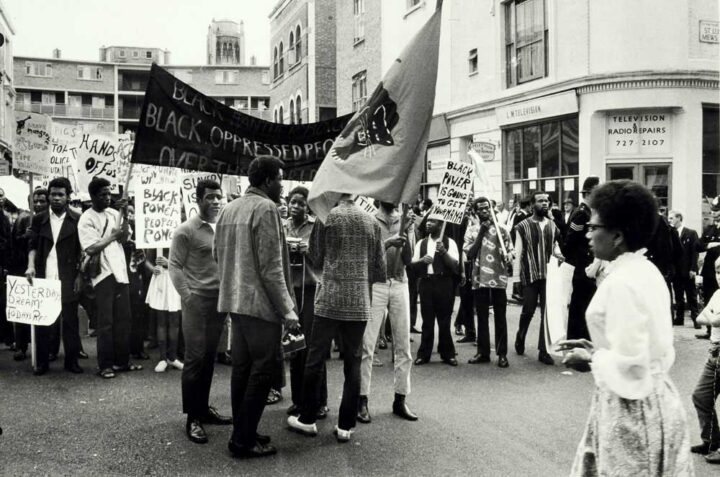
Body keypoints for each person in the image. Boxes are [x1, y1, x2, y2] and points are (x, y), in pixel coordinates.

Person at [557, 180, 693, 476]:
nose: (589, 235)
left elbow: (633, 365)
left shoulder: (621, 282)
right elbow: (641, 348)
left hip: (632, 409)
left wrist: (591, 359)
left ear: (617, 235)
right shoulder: (644, 270)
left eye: (594, 227)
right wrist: (599, 349)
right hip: (658, 400)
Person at [215, 158, 297, 457]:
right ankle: (242, 441)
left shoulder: (229, 208)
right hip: (260, 305)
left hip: (235, 302)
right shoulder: (267, 209)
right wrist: (288, 310)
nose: (283, 185)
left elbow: (216, 254)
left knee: (242, 370)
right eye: (280, 179)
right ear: (266, 182)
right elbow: (272, 268)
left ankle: (243, 431)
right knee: (262, 373)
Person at [287, 193, 386, 443]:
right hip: (360, 300)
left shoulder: (327, 217)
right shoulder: (371, 221)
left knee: (315, 358)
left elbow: (316, 257)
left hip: (329, 299)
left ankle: (307, 418)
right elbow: (379, 269)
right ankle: (346, 426)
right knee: (353, 363)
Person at [169, 179, 231, 445]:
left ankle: (203, 409)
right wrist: (188, 296)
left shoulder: (225, 228)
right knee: (194, 359)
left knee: (208, 358)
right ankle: (192, 418)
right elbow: (175, 266)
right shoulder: (186, 230)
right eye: (210, 197)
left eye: (219, 197)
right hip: (196, 302)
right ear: (198, 200)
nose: (216, 201)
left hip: (219, 302)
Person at [358, 202, 417, 424]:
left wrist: (408, 231)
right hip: (377, 284)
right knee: (367, 345)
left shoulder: (405, 220)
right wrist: (388, 242)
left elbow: (409, 259)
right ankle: (362, 400)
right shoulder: (370, 219)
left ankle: (400, 399)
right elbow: (367, 257)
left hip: (400, 282)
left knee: (403, 345)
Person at [78, 177, 141, 379]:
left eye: (109, 193)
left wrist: (124, 217)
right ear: (93, 196)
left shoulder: (114, 213)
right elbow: (91, 247)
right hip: (103, 274)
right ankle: (104, 364)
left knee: (124, 319)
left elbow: (124, 239)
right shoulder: (86, 218)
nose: (107, 197)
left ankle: (122, 361)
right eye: (102, 194)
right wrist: (112, 236)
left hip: (120, 272)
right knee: (106, 321)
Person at [26, 178, 84, 375]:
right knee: (44, 322)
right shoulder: (38, 219)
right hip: (44, 277)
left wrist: (79, 276)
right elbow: (32, 246)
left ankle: (72, 361)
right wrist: (31, 266)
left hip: (67, 278)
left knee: (70, 322)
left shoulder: (77, 219)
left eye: (61, 194)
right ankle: (42, 362)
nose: (56, 198)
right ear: (48, 196)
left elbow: (81, 252)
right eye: (53, 194)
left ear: (68, 197)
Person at [283, 186, 329, 420]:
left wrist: (307, 250)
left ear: (308, 207)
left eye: (301, 203)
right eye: (293, 202)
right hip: (291, 292)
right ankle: (298, 400)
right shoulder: (283, 226)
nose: (296, 207)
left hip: (311, 290)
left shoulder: (316, 227)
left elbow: (323, 258)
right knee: (294, 346)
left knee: (312, 347)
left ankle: (319, 400)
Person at [512, 191, 563, 365]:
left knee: (546, 313)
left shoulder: (552, 225)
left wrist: (559, 255)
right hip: (529, 274)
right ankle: (521, 335)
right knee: (528, 310)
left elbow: (555, 248)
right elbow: (518, 253)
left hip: (548, 274)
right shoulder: (522, 226)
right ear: (532, 205)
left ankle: (543, 350)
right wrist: (516, 279)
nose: (545, 203)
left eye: (547, 201)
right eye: (541, 201)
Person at [466, 197, 513, 368]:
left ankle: (502, 354)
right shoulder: (471, 230)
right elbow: (469, 255)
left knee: (500, 317)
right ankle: (483, 352)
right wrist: (480, 233)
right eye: (481, 209)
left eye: (487, 208)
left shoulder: (502, 230)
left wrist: (509, 257)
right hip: (480, 279)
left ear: (492, 210)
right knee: (482, 317)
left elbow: (511, 251)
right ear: (476, 212)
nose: (485, 211)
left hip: (498, 279)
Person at [411, 217, 460, 366]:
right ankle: (424, 354)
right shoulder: (421, 243)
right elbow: (413, 264)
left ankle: (448, 354)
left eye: (432, 221)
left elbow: (454, 265)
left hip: (444, 283)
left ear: (441, 225)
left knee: (444, 320)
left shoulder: (449, 242)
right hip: (426, 283)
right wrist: (421, 261)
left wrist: (444, 252)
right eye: (427, 221)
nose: (428, 223)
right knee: (427, 321)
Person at [11, 188, 48, 361]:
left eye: (42, 200)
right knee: (23, 309)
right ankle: (21, 346)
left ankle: (44, 348)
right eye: (36, 201)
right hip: (22, 268)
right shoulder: (24, 218)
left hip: (42, 268)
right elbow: (13, 243)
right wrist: (26, 237)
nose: (39, 204)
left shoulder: (48, 219)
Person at [691, 256, 720, 465]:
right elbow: (700, 318)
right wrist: (712, 317)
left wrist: (712, 317)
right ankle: (711, 440)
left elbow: (715, 319)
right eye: (718, 272)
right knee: (701, 396)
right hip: (714, 352)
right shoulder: (718, 294)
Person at [564, 176, 599, 342]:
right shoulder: (581, 214)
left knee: (585, 302)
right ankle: (575, 339)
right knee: (579, 303)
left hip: (586, 264)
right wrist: (578, 261)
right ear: (589, 193)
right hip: (581, 265)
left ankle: (582, 338)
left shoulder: (589, 212)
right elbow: (570, 241)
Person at [146, 248, 183, 373]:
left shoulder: (181, 235)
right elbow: (147, 260)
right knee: (161, 320)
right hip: (160, 278)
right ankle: (162, 358)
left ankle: (172, 357)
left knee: (175, 320)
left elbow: (188, 260)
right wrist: (153, 268)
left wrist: (170, 264)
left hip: (175, 279)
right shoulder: (157, 240)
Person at [669, 210, 701, 327]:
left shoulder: (691, 233)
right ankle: (679, 318)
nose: (670, 220)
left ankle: (696, 318)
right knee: (678, 295)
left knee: (691, 295)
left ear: (679, 218)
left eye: (672, 218)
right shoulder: (671, 233)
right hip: (676, 270)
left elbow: (695, 252)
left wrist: (693, 269)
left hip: (688, 270)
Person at [698, 197, 720, 340]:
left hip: (719, 269)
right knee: (708, 299)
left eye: (717, 211)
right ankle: (709, 330)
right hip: (708, 271)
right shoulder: (709, 229)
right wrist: (708, 245)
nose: (713, 214)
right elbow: (698, 245)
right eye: (713, 211)